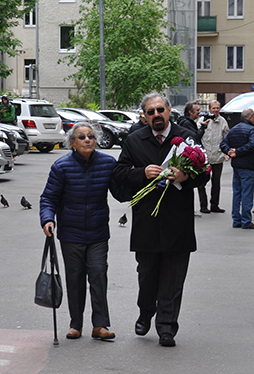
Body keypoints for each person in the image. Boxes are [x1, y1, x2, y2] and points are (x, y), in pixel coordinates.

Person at [112, 92, 208, 347]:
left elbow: (203, 174)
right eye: (150, 112)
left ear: (168, 111)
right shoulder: (134, 140)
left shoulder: (186, 138)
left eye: (160, 110)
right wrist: (141, 173)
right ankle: (145, 311)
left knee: (173, 279)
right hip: (146, 221)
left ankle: (167, 327)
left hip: (178, 222)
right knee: (148, 276)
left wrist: (185, 178)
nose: (156, 115)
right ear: (145, 116)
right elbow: (119, 173)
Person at [40, 122, 130, 341]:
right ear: (73, 143)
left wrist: (135, 180)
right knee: (75, 278)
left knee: (98, 275)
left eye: (90, 136)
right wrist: (47, 220)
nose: (88, 140)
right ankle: (76, 324)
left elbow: (119, 193)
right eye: (82, 137)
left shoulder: (107, 163)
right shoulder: (61, 167)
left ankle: (100, 325)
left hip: (98, 233)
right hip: (71, 234)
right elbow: (48, 198)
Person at [220, 108, 254, 229]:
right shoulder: (252, 129)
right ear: (251, 117)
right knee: (247, 193)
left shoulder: (234, 129)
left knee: (237, 193)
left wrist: (230, 151)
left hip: (236, 165)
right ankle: (246, 220)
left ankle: (236, 220)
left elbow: (223, 144)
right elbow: (252, 144)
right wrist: (238, 152)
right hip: (248, 165)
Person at [198, 100, 229, 214]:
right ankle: (203, 205)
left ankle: (214, 205)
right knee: (202, 182)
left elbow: (226, 138)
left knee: (216, 182)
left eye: (217, 108)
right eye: (213, 108)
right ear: (209, 109)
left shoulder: (223, 121)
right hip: (204, 157)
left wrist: (226, 153)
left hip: (218, 155)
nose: (215, 110)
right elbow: (198, 135)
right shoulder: (203, 120)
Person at [177, 101, 207, 214]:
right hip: (188, 155)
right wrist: (203, 127)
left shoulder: (186, 122)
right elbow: (195, 137)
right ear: (190, 112)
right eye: (197, 110)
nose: (199, 112)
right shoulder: (186, 124)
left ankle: (203, 206)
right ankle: (200, 207)